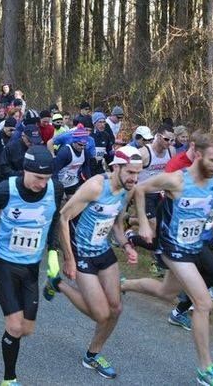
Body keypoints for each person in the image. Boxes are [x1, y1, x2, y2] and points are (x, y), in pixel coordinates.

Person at [120, 134, 213, 386]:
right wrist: (144, 225)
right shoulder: (176, 180)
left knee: (165, 291)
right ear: (198, 154)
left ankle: (124, 285)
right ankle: (205, 369)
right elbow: (140, 189)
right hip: (172, 247)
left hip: (196, 246)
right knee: (203, 303)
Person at [45, 145, 141, 379]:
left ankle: (92, 355)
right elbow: (64, 217)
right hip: (81, 252)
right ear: (115, 167)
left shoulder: (128, 190)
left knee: (116, 309)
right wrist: (68, 258)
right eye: (130, 172)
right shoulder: (96, 187)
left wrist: (127, 245)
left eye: (137, 173)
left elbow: (117, 224)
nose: (134, 178)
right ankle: (58, 284)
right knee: (101, 314)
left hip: (102, 249)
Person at [0, 146, 62, 386]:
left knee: (28, 329)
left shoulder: (55, 189)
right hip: (5, 264)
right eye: (38, 178)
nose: (42, 184)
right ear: (25, 171)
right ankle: (9, 379)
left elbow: (54, 219)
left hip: (32, 266)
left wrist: (52, 251)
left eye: (47, 179)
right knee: (14, 326)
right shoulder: (4, 190)